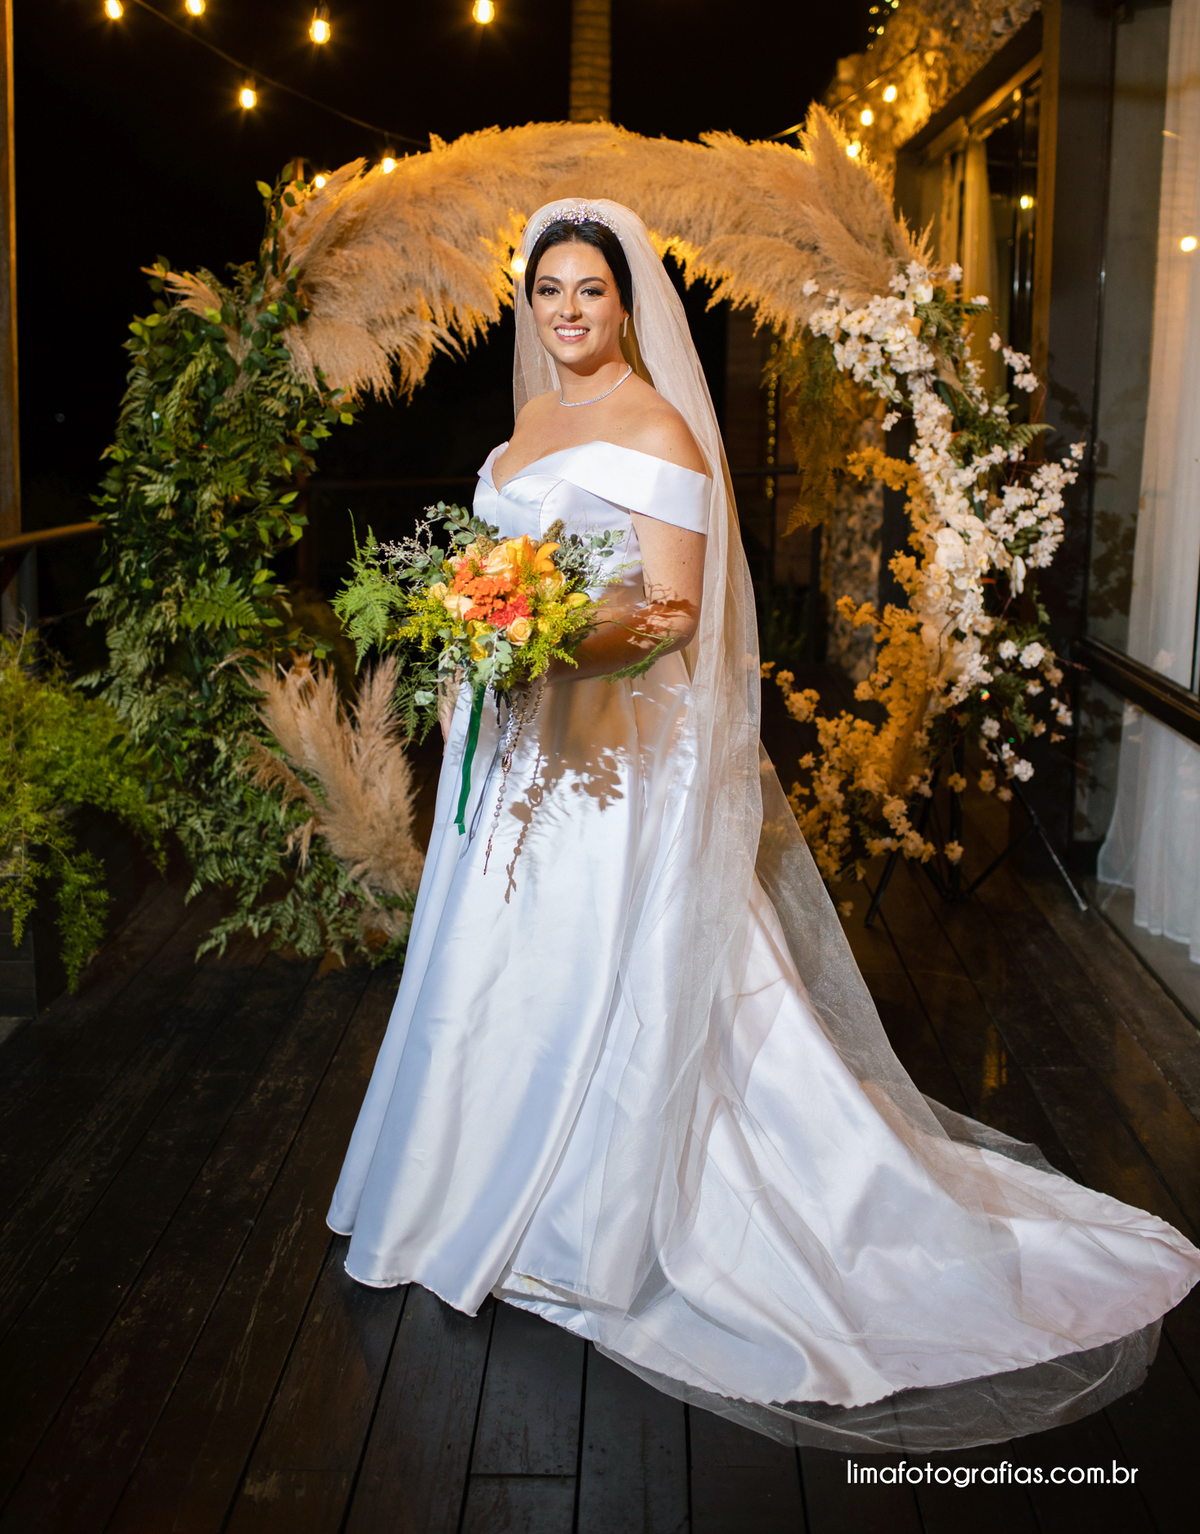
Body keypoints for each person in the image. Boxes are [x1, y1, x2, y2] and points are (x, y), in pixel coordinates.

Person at [328, 198, 1200, 1452]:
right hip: (516, 751)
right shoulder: (528, 424)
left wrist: (543, 644)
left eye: (590, 290)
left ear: (628, 302)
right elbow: (499, 570)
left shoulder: (661, 427)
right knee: (489, 975)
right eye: (548, 293)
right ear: (529, 307)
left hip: (610, 759)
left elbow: (674, 613)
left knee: (597, 977)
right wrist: (478, 631)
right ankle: (459, 1187)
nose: (568, 312)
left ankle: (590, 1215)